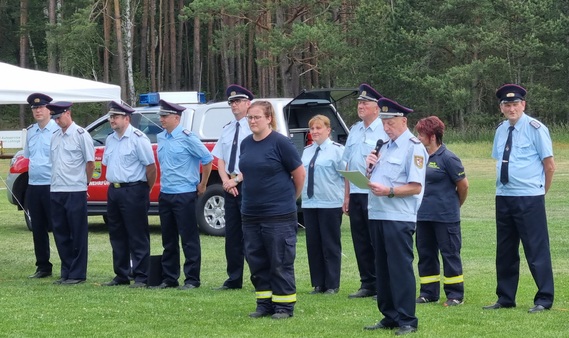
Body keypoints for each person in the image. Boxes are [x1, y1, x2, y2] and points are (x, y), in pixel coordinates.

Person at [483, 84, 555, 313]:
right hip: (504, 195)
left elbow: (549, 165)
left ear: (523, 105)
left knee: (535, 249)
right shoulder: (501, 130)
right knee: (505, 250)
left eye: (515, 104)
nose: (511, 108)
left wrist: (542, 191)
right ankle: (505, 297)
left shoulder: (536, 128)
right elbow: (500, 159)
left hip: (529, 197)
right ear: (501, 108)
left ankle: (544, 298)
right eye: (507, 105)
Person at [364, 97, 427, 335]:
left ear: (403, 121)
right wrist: (369, 168)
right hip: (378, 213)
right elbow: (378, 179)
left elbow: (415, 187)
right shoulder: (384, 146)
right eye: (383, 123)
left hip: (399, 216)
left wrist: (389, 191)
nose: (386, 127)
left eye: (390, 123)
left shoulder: (414, 147)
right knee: (382, 268)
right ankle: (389, 315)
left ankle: (407, 319)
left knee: (400, 268)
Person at [239, 101, 305, 319]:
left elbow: (299, 174)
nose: (253, 121)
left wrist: (289, 199)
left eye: (257, 117)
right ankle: (264, 304)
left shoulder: (281, 143)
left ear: (269, 118)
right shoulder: (246, 144)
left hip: (278, 215)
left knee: (280, 261)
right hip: (250, 214)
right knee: (257, 261)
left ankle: (284, 306)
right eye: (250, 117)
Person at [154, 99, 213, 290]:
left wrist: (202, 184)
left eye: (165, 116)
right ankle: (170, 278)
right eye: (161, 116)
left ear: (176, 118)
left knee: (188, 239)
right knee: (168, 239)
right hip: (166, 193)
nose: (161, 119)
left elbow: (207, 159)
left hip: (185, 194)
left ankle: (192, 279)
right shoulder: (161, 137)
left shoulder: (188, 137)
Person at [101, 101, 157, 288]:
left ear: (127, 118)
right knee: (116, 234)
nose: (112, 120)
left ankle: (141, 275)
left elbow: (151, 168)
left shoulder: (138, 138)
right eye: (110, 117)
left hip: (134, 189)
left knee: (137, 234)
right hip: (114, 190)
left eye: (115, 117)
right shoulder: (110, 139)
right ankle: (121, 274)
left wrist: (144, 190)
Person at [414, 116, 469, 306]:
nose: (418, 137)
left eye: (421, 134)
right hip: (422, 216)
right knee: (426, 254)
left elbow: (463, 186)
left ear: (432, 136)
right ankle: (428, 293)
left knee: (450, 254)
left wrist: (454, 205)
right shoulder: (419, 157)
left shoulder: (449, 158)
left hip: (446, 217)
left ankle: (455, 295)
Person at [342, 83, 388, 298]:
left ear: (376, 107)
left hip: (375, 192)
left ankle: (382, 283)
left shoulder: (384, 128)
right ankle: (367, 283)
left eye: (365, 103)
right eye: (359, 103)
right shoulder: (354, 129)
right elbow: (349, 164)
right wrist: (347, 196)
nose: (360, 106)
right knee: (360, 239)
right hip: (357, 192)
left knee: (376, 239)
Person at [211, 84, 253, 290]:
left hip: (248, 185)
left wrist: (236, 180)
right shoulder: (227, 129)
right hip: (229, 186)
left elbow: (254, 159)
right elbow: (219, 159)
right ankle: (234, 278)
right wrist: (226, 181)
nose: (234, 105)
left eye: (238, 102)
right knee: (233, 235)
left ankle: (258, 277)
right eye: (232, 102)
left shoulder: (254, 128)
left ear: (248, 104)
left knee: (251, 235)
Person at [48, 101, 95, 285]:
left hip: (75, 189)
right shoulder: (55, 136)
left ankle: (77, 273)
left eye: (59, 117)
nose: (57, 121)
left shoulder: (81, 134)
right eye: (55, 118)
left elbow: (90, 163)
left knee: (77, 233)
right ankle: (66, 270)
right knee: (60, 232)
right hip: (57, 189)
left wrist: (85, 183)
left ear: (68, 113)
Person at [301, 115, 346, 295]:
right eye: (312, 129)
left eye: (319, 128)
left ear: (328, 130)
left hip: (330, 202)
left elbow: (345, 176)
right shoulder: (307, 151)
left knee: (330, 244)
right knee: (313, 244)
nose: (315, 132)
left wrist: (346, 198)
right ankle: (318, 283)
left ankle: (332, 284)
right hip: (310, 202)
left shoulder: (337, 151)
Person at [24, 93, 58, 279]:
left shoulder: (56, 130)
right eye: (34, 108)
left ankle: (68, 266)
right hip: (34, 185)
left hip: (51, 185)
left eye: (41, 107)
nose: (37, 111)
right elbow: (29, 157)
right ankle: (43, 266)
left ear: (49, 110)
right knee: (37, 228)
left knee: (58, 226)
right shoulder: (30, 131)